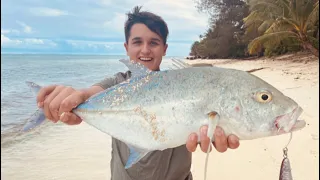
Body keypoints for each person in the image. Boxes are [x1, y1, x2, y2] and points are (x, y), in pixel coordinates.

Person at [37, 6, 240, 180]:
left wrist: (221, 127)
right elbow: (89, 94)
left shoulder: (182, 84)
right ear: (126, 48)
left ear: (165, 48)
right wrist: (72, 98)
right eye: (137, 42)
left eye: (153, 42)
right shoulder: (117, 84)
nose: (145, 50)